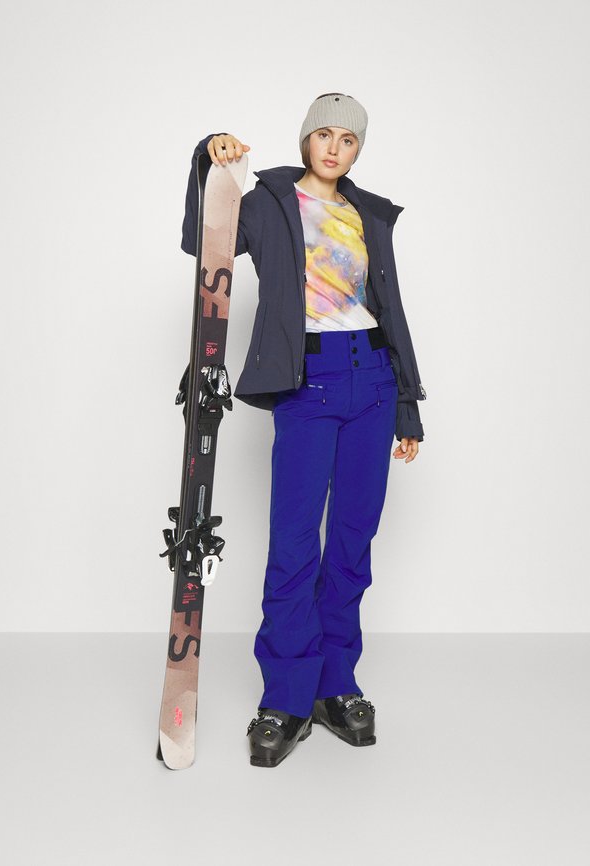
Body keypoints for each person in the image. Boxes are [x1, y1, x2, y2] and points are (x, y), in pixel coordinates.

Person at [181, 92, 427, 768]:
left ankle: (334, 685)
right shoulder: (268, 202)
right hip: (307, 382)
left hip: (373, 380)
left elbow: (391, 309)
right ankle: (286, 697)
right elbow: (203, 240)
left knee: (351, 542)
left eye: (348, 140)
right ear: (305, 140)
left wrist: (407, 403)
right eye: (324, 135)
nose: (334, 149)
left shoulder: (367, 213)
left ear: (357, 151)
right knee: (294, 542)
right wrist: (208, 160)